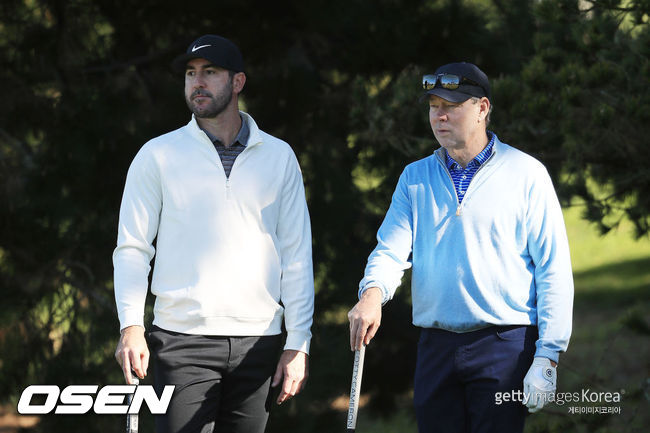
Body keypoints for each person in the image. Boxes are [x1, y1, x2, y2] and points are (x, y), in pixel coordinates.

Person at [348, 62, 573, 433]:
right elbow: (390, 250)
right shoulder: (415, 177)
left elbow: (553, 269)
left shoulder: (527, 173)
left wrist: (548, 355)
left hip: (506, 345)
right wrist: (372, 295)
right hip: (436, 347)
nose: (440, 115)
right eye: (434, 106)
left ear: (482, 108)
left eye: (451, 106)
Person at [112, 34, 314, 433]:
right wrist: (131, 325)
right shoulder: (157, 155)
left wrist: (298, 341)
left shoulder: (279, 156)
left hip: (259, 341)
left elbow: (296, 254)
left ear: (238, 82)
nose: (197, 83)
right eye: (190, 74)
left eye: (210, 72)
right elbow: (133, 249)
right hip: (181, 341)